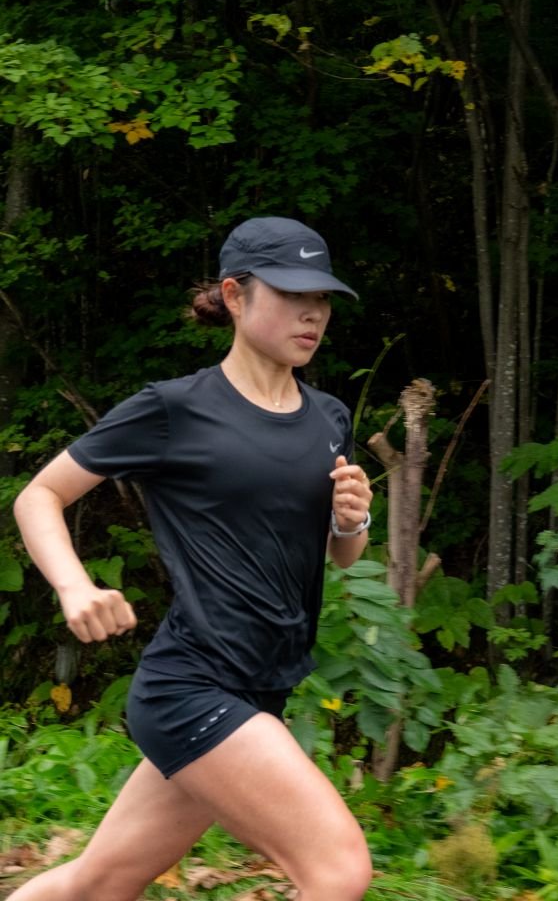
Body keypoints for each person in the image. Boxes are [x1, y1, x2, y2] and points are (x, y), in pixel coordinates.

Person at [10, 217, 376, 901]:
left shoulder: (329, 417)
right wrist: (73, 586)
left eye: (323, 298)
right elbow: (40, 495)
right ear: (236, 296)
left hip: (262, 687)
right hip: (193, 687)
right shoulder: (176, 410)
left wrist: (355, 519)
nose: (313, 312)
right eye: (294, 293)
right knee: (338, 869)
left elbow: (343, 554)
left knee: (99, 882)